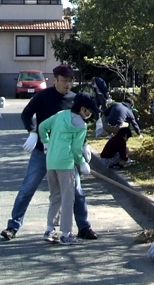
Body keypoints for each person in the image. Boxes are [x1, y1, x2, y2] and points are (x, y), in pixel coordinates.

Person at [0, 65, 98, 241]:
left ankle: (83, 226)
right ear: (55, 80)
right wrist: (32, 132)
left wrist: (84, 146)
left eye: (70, 81)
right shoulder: (43, 96)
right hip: (42, 152)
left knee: (76, 190)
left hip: (66, 156)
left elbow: (80, 125)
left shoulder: (75, 100)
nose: (68, 84)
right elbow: (26, 114)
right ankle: (13, 226)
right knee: (28, 188)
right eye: (64, 80)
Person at [39, 92, 99, 245]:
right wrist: (82, 163)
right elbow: (75, 148)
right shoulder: (81, 126)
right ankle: (66, 234)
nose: (90, 114)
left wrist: (46, 142)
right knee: (67, 199)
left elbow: (42, 126)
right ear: (83, 109)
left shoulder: (60, 115)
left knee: (55, 197)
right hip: (66, 164)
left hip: (51, 162)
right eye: (89, 110)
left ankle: (49, 229)